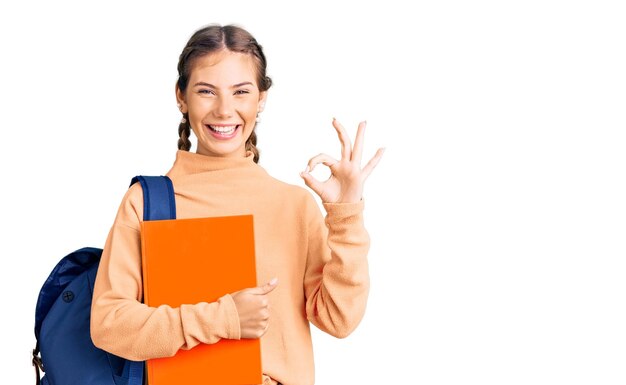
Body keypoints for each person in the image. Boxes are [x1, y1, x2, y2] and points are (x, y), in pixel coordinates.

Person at [90, 23, 384, 385]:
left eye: (241, 92)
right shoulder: (148, 203)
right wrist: (223, 318)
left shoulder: (293, 205)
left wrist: (347, 216)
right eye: (206, 91)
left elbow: (340, 321)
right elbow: (108, 325)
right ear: (181, 97)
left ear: (261, 99)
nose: (225, 110)